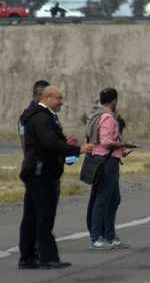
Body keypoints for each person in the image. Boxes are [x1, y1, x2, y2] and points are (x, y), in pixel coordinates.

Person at [18, 86, 94, 269]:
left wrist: (66, 145)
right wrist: (77, 149)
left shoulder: (41, 116)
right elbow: (49, 143)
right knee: (44, 215)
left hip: (37, 170)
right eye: (58, 98)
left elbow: (50, 142)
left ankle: (27, 258)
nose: (61, 102)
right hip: (42, 172)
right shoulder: (42, 117)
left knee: (31, 215)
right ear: (47, 98)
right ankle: (47, 257)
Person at [85, 88, 136, 250]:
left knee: (113, 199)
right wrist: (124, 144)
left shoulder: (96, 115)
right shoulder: (108, 117)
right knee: (103, 199)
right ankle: (97, 237)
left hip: (103, 160)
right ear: (114, 100)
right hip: (107, 163)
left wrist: (122, 150)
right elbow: (106, 142)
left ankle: (110, 235)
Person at [18, 80, 50, 152]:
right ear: (34, 96)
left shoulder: (50, 113)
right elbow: (26, 147)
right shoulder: (26, 117)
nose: (43, 98)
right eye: (40, 95)